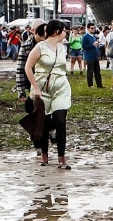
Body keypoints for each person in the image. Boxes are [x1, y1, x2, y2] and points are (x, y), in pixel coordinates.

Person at [24, 19, 73, 170]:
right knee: (43, 122)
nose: (66, 33)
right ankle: (44, 155)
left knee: (60, 120)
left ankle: (62, 158)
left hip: (61, 88)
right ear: (57, 31)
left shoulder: (63, 48)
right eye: (64, 31)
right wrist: (35, 88)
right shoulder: (40, 47)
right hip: (42, 88)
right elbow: (28, 67)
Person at [82, 22, 103, 87]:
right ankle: (90, 84)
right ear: (88, 29)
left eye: (94, 28)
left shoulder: (93, 36)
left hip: (95, 55)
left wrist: (98, 54)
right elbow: (84, 46)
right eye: (91, 28)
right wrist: (92, 45)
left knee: (97, 71)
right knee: (90, 71)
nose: (93, 29)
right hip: (89, 56)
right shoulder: (85, 37)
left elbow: (95, 46)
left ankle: (99, 84)